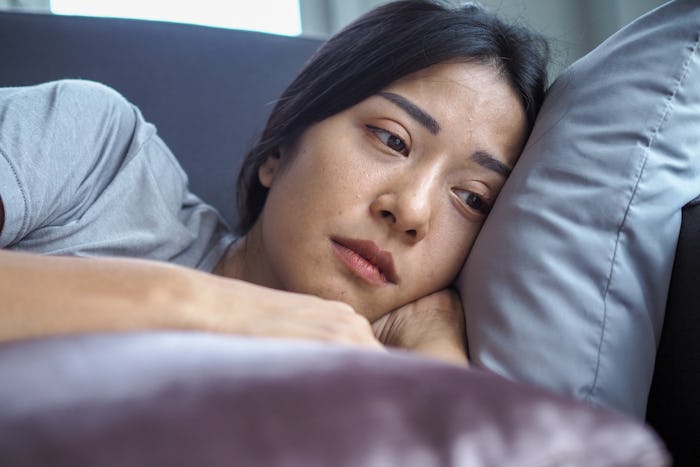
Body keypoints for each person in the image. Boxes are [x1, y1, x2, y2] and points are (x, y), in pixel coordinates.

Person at [0, 0, 548, 364]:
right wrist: (209, 307)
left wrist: (435, 353)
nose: (411, 211)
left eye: (472, 198)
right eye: (392, 140)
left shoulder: (380, 374)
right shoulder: (100, 153)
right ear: (279, 147)